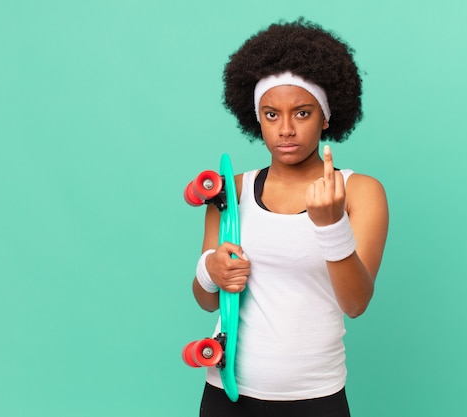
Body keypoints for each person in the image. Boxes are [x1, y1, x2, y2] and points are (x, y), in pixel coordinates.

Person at [191, 18, 389, 417]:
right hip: (227, 394)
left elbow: (355, 303)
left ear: (326, 115)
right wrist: (210, 270)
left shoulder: (359, 191)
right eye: (271, 114)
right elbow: (206, 301)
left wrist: (332, 225)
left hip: (315, 397)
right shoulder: (231, 191)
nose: (285, 130)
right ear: (256, 118)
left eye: (301, 113)